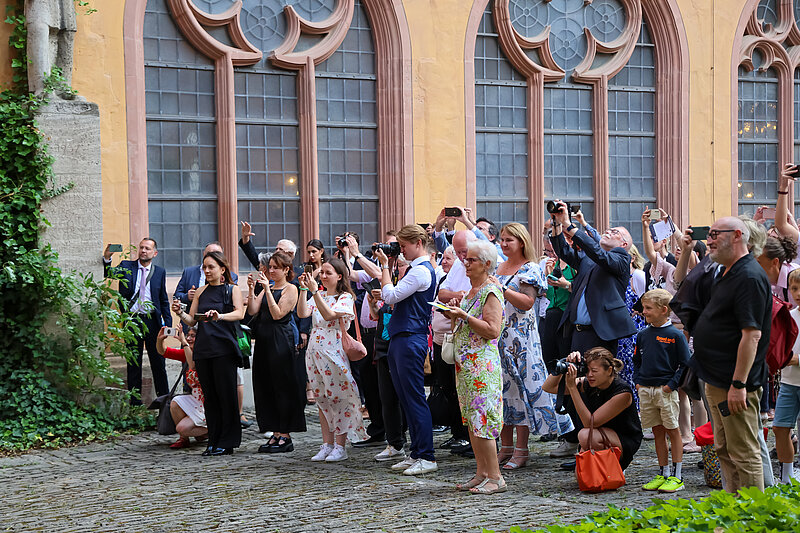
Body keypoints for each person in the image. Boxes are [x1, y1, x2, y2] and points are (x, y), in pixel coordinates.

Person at [548, 201, 637, 461]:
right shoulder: (589, 258)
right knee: (573, 383)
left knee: (595, 386)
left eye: (615, 232)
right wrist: (557, 224)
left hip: (600, 334)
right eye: (608, 229)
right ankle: (583, 444)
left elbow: (599, 254)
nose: (609, 231)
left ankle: (596, 446)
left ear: (624, 244)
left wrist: (571, 227)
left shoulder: (621, 258)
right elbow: (564, 252)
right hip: (577, 331)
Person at [691, 217, 771, 492]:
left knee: (744, 453)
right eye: (709, 234)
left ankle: (752, 512)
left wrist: (739, 384)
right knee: (724, 449)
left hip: (734, 384)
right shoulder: (727, 272)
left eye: (715, 234)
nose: (709, 240)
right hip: (716, 379)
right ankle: (733, 506)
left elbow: (752, 335)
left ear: (737, 235)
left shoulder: (749, 276)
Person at [495, 223, 569, 470]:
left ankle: (521, 449)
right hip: (499, 336)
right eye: (502, 239)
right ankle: (505, 447)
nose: (504, 244)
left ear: (522, 242)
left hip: (521, 339)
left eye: (509, 240)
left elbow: (527, 302)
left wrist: (502, 288)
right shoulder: (498, 266)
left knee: (521, 391)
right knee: (502, 393)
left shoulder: (530, 268)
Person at [441, 240, 506, 494]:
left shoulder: (491, 291)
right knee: (471, 420)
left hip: (482, 365)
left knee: (483, 420)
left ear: (487, 264)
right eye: (465, 259)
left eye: (471, 260)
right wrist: (455, 314)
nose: (466, 264)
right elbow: (465, 326)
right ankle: (482, 473)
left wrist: (465, 316)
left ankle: (496, 477)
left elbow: (492, 330)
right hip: (466, 365)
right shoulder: (471, 291)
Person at [375, 225, 438, 475]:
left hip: (411, 338)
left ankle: (427, 455)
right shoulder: (416, 269)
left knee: (414, 398)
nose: (401, 251)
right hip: (403, 337)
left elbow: (390, 297)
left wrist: (384, 267)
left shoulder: (421, 271)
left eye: (404, 246)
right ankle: (416, 452)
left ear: (418, 243)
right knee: (405, 398)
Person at [174, 251, 245, 456]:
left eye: (211, 267)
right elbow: (192, 320)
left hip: (224, 349)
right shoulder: (200, 291)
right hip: (204, 349)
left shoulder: (232, 289)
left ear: (222, 269)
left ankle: (227, 442)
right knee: (210, 398)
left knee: (226, 396)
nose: (206, 270)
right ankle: (213, 441)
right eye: (204, 267)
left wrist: (219, 316)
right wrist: (180, 312)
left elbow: (239, 313)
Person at [297, 258, 367, 462]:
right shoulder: (318, 294)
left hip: (333, 349)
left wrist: (314, 292)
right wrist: (303, 290)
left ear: (339, 276)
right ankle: (326, 444)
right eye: (322, 272)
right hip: (315, 349)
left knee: (338, 397)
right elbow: (303, 313)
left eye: (328, 273)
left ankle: (340, 445)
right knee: (322, 398)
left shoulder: (345, 297)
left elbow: (329, 316)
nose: (323, 276)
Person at [543, 348, 643, 471]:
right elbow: (548, 387)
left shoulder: (622, 393)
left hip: (623, 440)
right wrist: (563, 364)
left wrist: (573, 388)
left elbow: (589, 423)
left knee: (585, 435)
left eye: (594, 371)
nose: (589, 375)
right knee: (582, 474)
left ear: (609, 370)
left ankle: (612, 468)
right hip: (598, 435)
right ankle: (598, 469)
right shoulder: (588, 384)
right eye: (587, 370)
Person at [247, 252, 305, 453]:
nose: (271, 271)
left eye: (275, 268)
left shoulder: (291, 289)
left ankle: (285, 434)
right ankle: (275, 431)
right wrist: (251, 289)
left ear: (286, 270)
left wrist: (267, 290)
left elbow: (278, 314)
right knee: (266, 386)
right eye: (269, 267)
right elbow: (253, 310)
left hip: (280, 339)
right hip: (263, 340)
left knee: (282, 386)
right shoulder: (268, 287)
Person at [634, 289, 691, 493]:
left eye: (648, 308)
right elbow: (636, 361)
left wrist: (671, 385)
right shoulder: (642, 335)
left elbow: (686, 364)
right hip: (646, 390)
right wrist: (638, 382)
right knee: (657, 431)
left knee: (672, 430)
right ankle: (663, 473)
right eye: (644, 307)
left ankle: (677, 476)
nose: (644, 312)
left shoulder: (675, 335)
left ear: (664, 310)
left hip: (665, 391)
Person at [103, 238, 172, 405]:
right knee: (133, 362)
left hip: (152, 322)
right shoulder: (127, 266)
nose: (143, 251)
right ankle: (135, 403)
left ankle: (164, 401)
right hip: (132, 321)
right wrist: (107, 257)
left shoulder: (159, 272)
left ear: (154, 253)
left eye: (147, 248)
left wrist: (168, 324)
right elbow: (109, 273)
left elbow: (163, 300)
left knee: (158, 362)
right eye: (141, 247)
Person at [156, 325, 208, 449]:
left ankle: (211, 430)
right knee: (176, 402)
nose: (189, 338)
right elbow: (163, 352)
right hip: (196, 400)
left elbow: (193, 365)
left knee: (182, 428)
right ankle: (184, 439)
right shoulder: (186, 352)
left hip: (208, 403)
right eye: (188, 335)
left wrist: (184, 342)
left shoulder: (206, 354)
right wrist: (160, 339)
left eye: (193, 336)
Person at [774, 267, 800, 484]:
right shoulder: (789, 316)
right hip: (788, 382)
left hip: (793, 375)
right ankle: (787, 477)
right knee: (780, 427)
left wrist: (796, 359)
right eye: (794, 288)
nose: (798, 293)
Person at [174, 241, 239, 305]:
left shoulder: (232, 277)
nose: (212, 257)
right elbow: (177, 295)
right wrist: (186, 297)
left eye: (217, 254)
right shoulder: (189, 272)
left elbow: (234, 301)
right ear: (204, 254)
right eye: (209, 253)